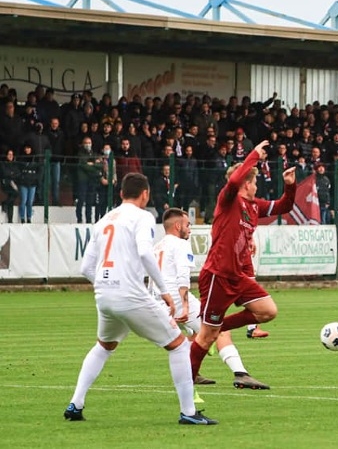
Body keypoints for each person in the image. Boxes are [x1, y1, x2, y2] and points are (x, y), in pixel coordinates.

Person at [68, 173, 217, 425]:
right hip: (131, 295)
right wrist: (165, 292)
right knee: (180, 346)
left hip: (104, 295)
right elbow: (145, 254)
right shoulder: (143, 216)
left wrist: (105, 285)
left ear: (120, 193)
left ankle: (75, 404)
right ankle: (189, 412)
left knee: (104, 346)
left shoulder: (102, 221)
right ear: (145, 194)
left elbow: (85, 268)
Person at [189, 140, 297, 386]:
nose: (257, 185)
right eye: (255, 181)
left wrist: (290, 186)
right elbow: (233, 182)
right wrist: (254, 156)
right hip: (218, 274)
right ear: (247, 182)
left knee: (267, 311)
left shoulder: (253, 206)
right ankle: (189, 376)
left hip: (238, 276)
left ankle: (217, 325)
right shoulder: (228, 200)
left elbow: (284, 205)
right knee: (205, 338)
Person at [152, 208, 269, 390]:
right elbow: (183, 276)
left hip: (157, 300)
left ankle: (192, 372)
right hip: (176, 299)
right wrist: (183, 303)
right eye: (187, 225)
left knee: (193, 336)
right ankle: (241, 373)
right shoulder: (180, 244)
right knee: (219, 331)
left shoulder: (157, 246)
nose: (190, 229)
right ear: (177, 226)